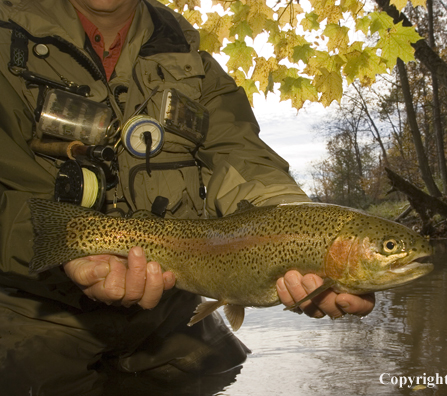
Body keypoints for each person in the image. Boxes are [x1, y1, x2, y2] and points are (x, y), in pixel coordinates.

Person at [0, 0, 375, 394]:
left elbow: (242, 158)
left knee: (222, 370)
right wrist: (57, 245)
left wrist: (302, 231)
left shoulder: (192, 60)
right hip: (30, 304)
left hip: (170, 301)